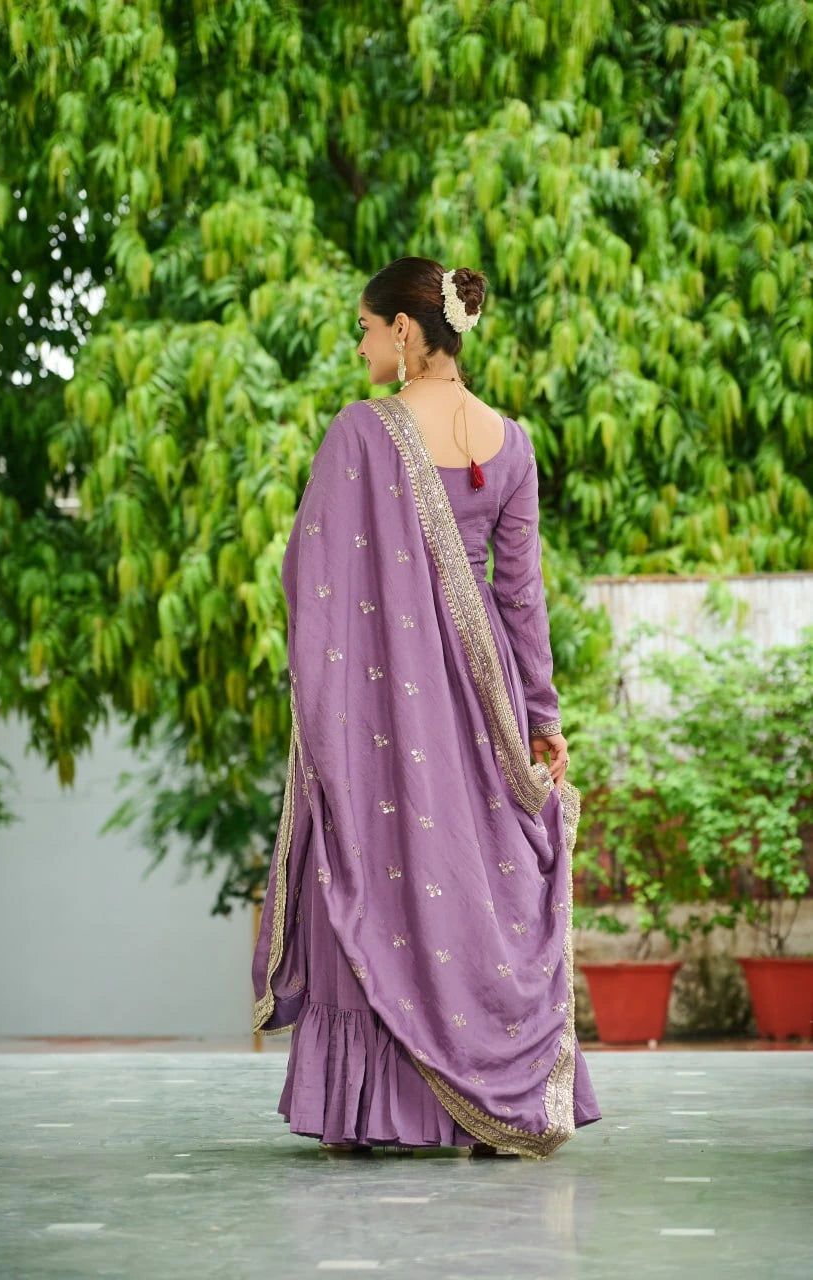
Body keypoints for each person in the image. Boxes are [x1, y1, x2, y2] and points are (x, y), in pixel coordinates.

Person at [251, 256, 601, 1157]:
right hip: (480, 702)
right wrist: (541, 718)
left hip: (385, 699)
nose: (361, 343)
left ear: (406, 332)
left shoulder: (362, 434)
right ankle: (488, 1096)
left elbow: (312, 580)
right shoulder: (508, 440)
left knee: (374, 862)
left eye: (365, 328)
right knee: (473, 878)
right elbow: (520, 598)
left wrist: (340, 672)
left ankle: (374, 1108)